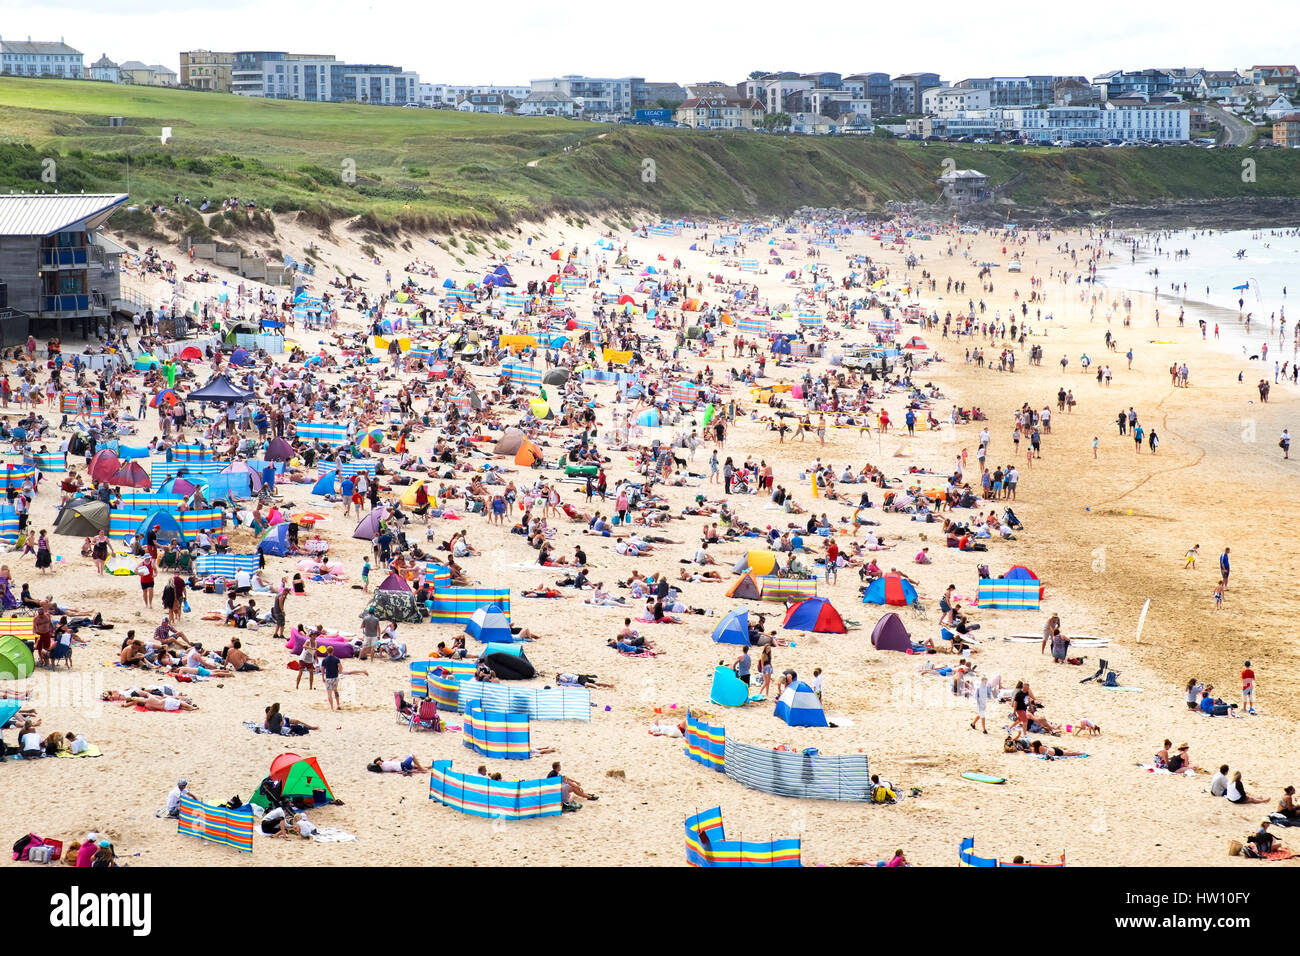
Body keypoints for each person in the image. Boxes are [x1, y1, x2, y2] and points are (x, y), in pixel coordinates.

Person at [321, 646, 342, 711]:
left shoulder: (324, 660)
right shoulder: (336, 659)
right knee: (335, 691)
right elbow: (340, 667)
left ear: (327, 651)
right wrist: (338, 672)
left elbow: (322, 669)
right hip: (335, 677)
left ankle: (332, 708)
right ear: (333, 651)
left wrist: (322, 677)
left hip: (328, 678)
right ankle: (338, 704)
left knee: (329, 694)